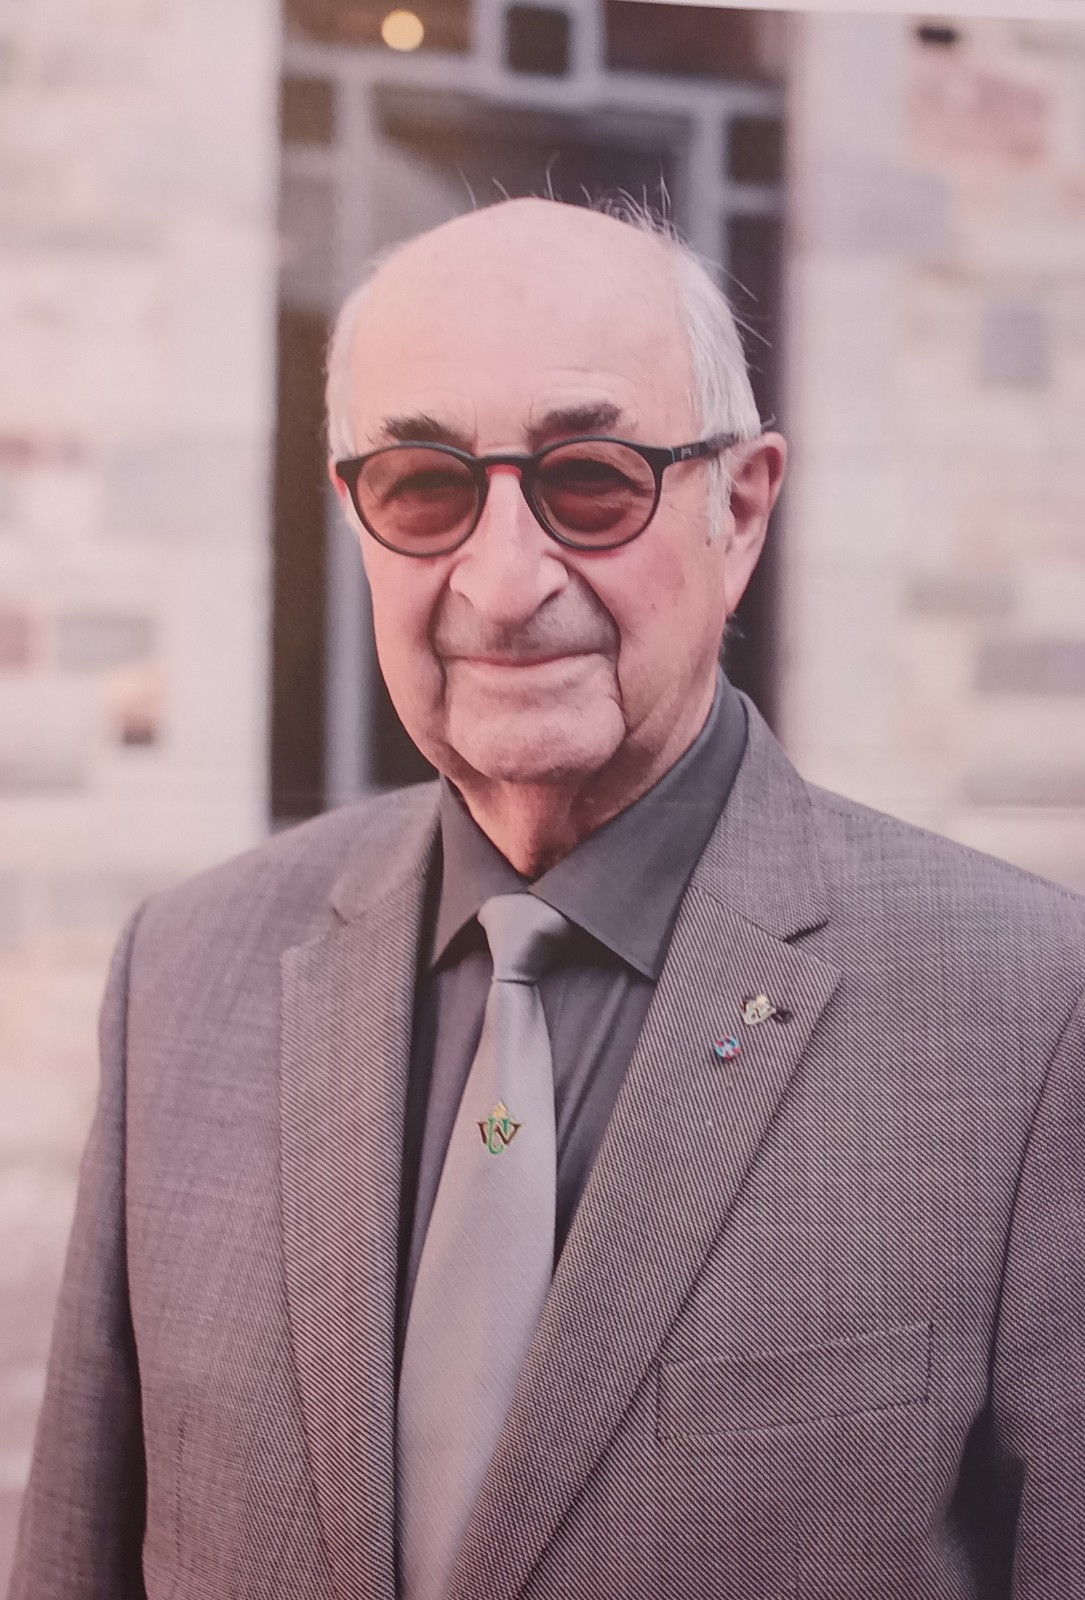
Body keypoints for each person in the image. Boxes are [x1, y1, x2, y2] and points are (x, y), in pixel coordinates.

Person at [9, 198, 1085, 1600]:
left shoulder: (1028, 1017)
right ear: (357, 516)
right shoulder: (184, 973)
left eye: (590, 479)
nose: (505, 585)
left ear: (739, 508)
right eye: (425, 486)